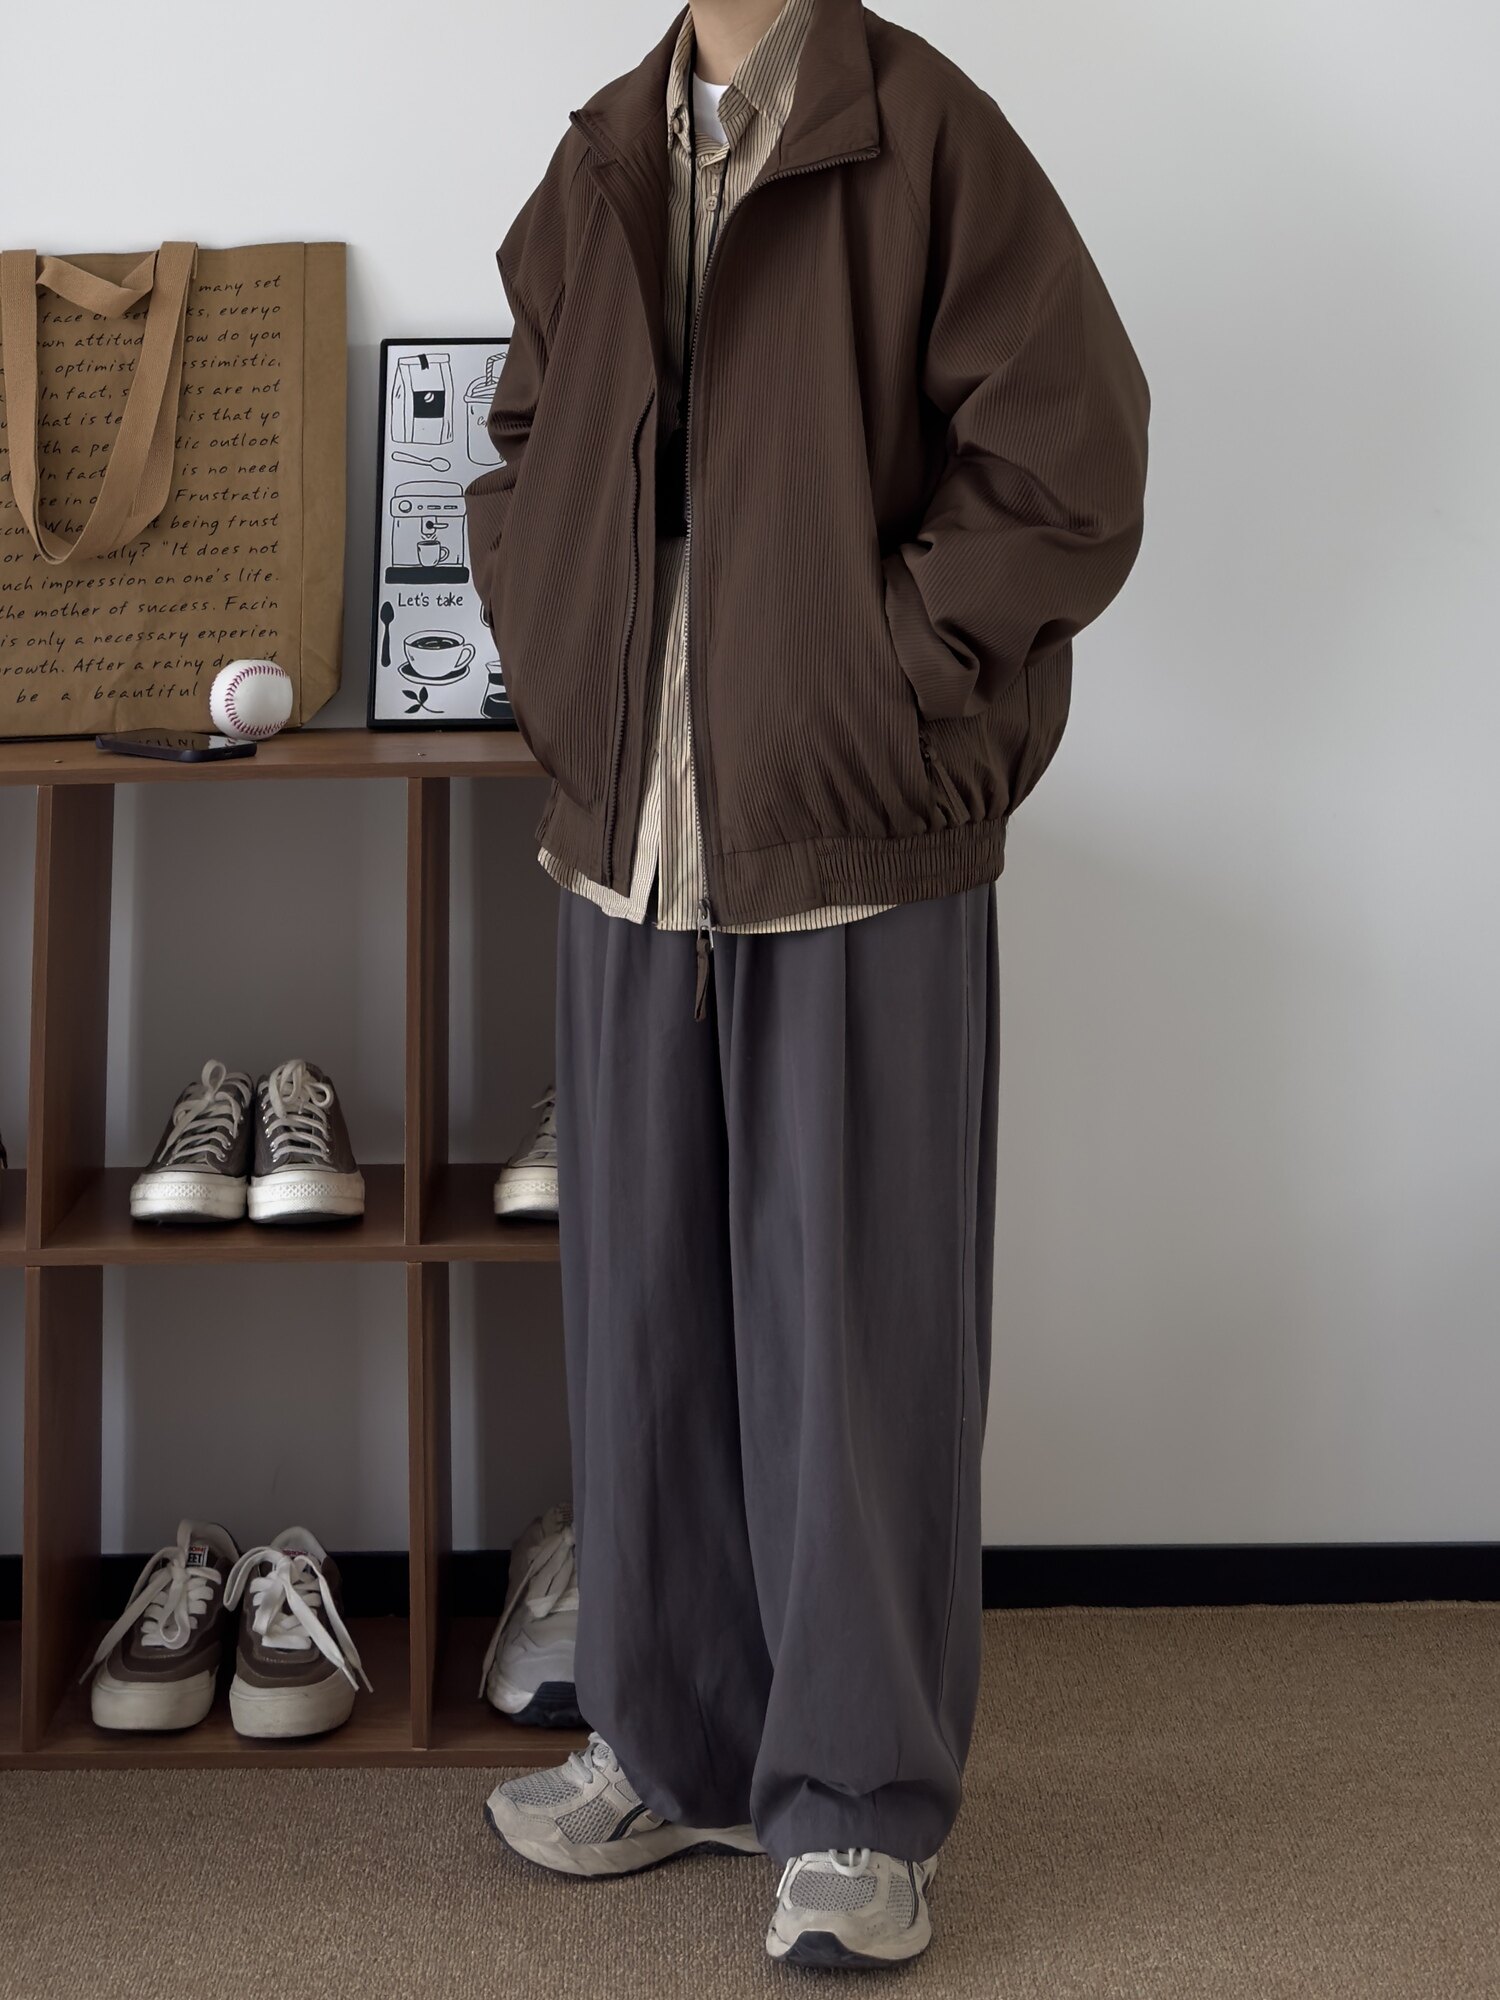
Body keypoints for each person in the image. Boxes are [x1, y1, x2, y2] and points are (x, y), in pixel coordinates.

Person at [465, 0, 1148, 1969]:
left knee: (856, 1345)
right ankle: (674, 1744)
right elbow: (521, 448)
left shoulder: (923, 134)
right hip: (631, 840)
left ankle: (856, 1804)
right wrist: (555, 653)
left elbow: (1071, 458)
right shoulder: (604, 156)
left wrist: (895, 676)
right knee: (648, 1323)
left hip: (850, 838)